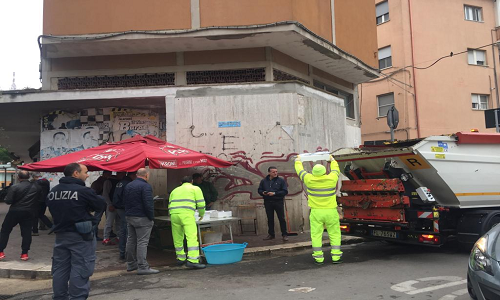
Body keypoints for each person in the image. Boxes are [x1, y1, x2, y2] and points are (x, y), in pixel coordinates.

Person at [47, 163, 105, 299]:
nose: (87, 174)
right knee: (81, 268)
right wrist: (94, 222)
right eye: (85, 172)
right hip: (81, 235)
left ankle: (60, 297)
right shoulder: (83, 191)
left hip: (61, 235)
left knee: (60, 269)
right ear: (75, 173)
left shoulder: (54, 191)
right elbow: (99, 204)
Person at [295, 155, 342, 265]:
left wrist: (298, 160)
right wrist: (332, 160)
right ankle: (336, 257)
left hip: (316, 212)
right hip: (331, 211)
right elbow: (336, 170)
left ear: (313, 172)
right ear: (324, 171)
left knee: (316, 235)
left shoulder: (309, 179)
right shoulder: (331, 178)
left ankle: (319, 258)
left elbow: (299, 170)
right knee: (334, 234)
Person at [123, 168, 159, 275]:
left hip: (130, 216)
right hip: (142, 217)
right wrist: (151, 217)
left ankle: (130, 263)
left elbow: (124, 200)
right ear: (146, 175)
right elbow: (148, 204)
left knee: (131, 240)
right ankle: (142, 266)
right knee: (142, 242)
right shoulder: (145, 186)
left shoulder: (129, 185)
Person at [0, 170, 41, 261]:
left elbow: (8, 201)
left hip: (15, 211)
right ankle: (24, 253)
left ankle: (1, 251)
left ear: (19, 177)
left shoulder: (14, 187)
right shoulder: (36, 187)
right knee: (26, 232)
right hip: (29, 212)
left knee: (5, 230)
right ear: (29, 176)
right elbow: (39, 199)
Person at [169, 176, 206, 269]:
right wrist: (201, 214)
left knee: (177, 237)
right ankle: (193, 260)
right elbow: (201, 203)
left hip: (174, 214)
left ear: (181, 182)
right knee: (191, 236)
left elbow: (170, 203)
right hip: (186, 215)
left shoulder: (175, 190)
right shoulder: (195, 188)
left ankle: (180, 258)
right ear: (192, 181)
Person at [258, 166, 289, 241]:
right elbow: (259, 190)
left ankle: (284, 234)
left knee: (281, 218)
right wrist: (263, 192)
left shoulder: (281, 181)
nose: (275, 173)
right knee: (270, 219)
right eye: (273, 172)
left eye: (276, 171)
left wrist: (274, 193)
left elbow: (285, 191)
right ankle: (271, 234)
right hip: (268, 202)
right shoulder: (264, 181)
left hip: (278, 202)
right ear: (269, 172)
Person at [112, 172, 137, 260]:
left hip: (118, 208)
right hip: (124, 208)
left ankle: (122, 252)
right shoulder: (128, 184)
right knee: (128, 231)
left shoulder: (120, 182)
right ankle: (127, 254)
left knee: (123, 230)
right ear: (133, 175)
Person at [102, 172, 123, 245]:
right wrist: (109, 204)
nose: (123, 175)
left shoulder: (120, 182)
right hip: (111, 205)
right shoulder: (108, 181)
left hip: (118, 206)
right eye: (122, 173)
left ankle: (119, 237)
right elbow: (105, 194)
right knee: (109, 222)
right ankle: (106, 238)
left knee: (118, 222)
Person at [90, 170, 112, 241]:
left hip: (102, 202)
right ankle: (94, 235)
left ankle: (95, 234)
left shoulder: (98, 182)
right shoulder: (99, 183)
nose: (110, 175)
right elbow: (93, 194)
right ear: (105, 174)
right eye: (109, 174)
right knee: (97, 219)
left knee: (107, 219)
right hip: (100, 203)